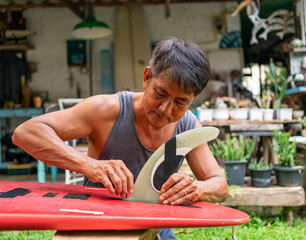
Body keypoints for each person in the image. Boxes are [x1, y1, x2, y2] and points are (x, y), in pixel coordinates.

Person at [12, 38, 228, 239]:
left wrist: (197, 188)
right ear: (146, 78)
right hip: (96, 226)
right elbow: (26, 133)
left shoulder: (187, 125)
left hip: (155, 229)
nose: (165, 109)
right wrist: (90, 165)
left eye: (180, 102)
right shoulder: (107, 111)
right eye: (160, 94)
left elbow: (220, 185)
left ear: (193, 100)